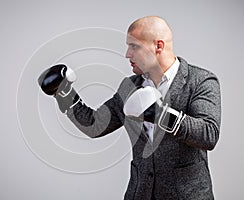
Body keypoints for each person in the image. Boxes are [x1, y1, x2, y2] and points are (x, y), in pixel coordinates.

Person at [38, 16, 221, 200]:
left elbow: (208, 134)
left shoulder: (201, 81)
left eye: (134, 46)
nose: (127, 54)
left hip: (187, 195)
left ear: (158, 46)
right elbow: (94, 125)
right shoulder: (129, 87)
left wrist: (161, 115)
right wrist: (64, 92)